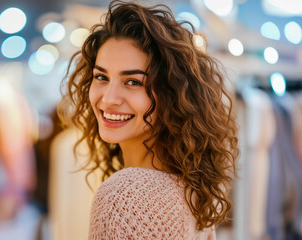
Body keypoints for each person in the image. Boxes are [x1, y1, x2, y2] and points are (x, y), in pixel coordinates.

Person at [58, 0, 239, 239]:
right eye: (101, 77)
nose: (109, 98)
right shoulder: (191, 188)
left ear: (171, 94)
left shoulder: (126, 196)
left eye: (133, 82)